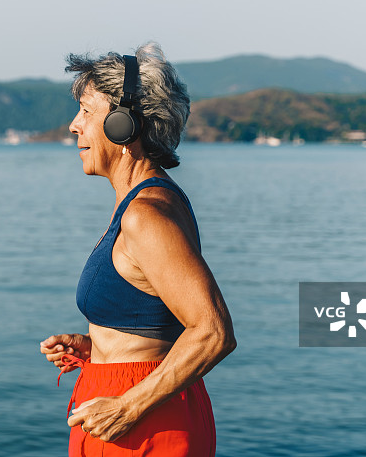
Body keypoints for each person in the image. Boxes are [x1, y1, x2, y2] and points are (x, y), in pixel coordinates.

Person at [40, 43, 236, 457]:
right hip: (121, 405)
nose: (74, 126)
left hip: (145, 425)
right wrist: (96, 347)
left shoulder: (146, 215)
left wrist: (129, 407)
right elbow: (155, 323)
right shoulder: (137, 202)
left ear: (123, 125)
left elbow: (213, 332)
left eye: (87, 112)